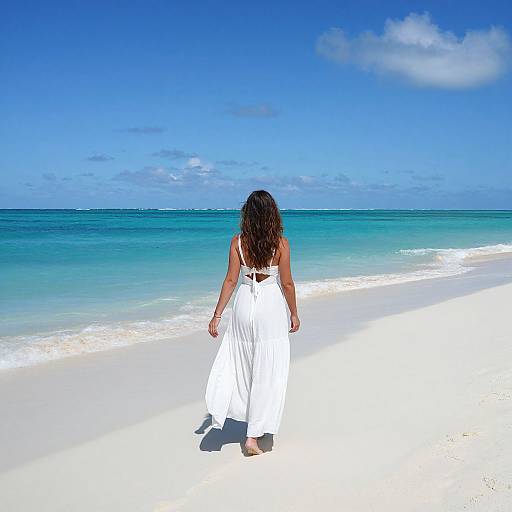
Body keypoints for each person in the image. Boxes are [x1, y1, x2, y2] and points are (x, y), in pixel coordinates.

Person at [205, 190, 300, 455]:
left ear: (247, 213)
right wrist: (294, 313)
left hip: (244, 303)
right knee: (268, 368)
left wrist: (217, 315)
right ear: (272, 214)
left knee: (242, 363)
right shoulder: (281, 243)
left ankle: (240, 415)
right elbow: (288, 283)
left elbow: (231, 281)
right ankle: (253, 435)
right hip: (270, 305)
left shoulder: (237, 242)